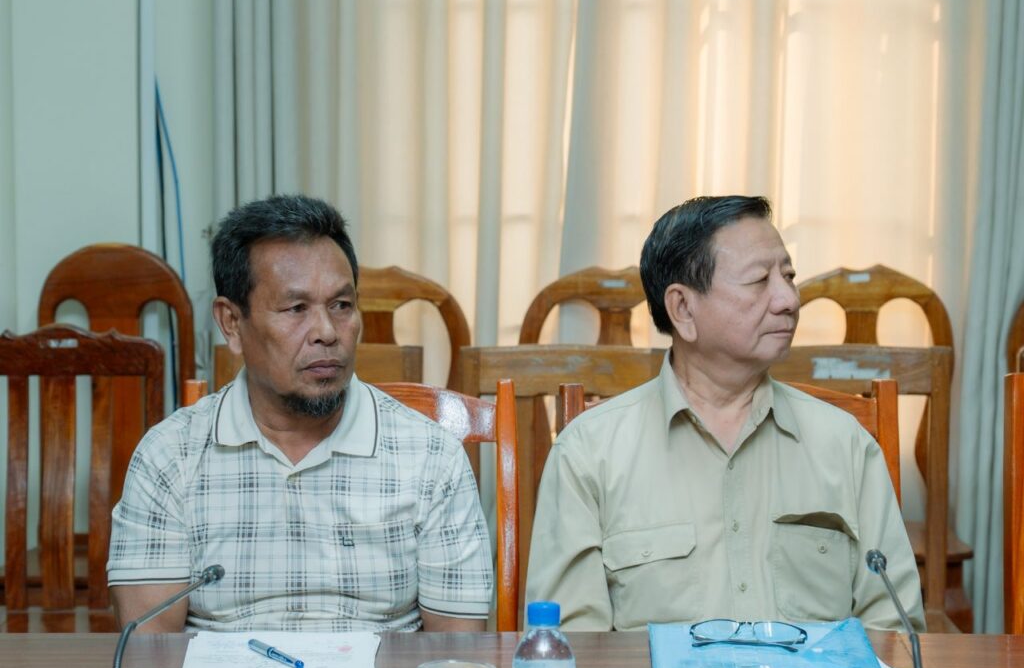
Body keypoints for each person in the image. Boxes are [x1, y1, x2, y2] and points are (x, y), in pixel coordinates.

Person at [525, 195, 924, 632]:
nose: (788, 300)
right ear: (682, 308)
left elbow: (894, 634)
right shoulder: (589, 453)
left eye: (789, 276)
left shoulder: (844, 445)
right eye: (759, 280)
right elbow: (570, 647)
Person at [108, 195, 492, 632]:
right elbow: (148, 650)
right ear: (232, 322)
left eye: (341, 305)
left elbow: (456, 652)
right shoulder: (169, 456)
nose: (327, 332)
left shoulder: (431, 457)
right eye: (296, 309)